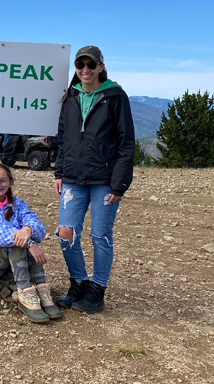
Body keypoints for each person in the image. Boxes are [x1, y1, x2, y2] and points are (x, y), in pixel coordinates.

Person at [53, 45, 135, 313]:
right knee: (66, 234)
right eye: (80, 65)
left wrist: (119, 184)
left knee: (100, 235)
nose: (85, 70)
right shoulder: (71, 96)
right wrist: (59, 173)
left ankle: (97, 290)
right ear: (75, 69)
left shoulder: (115, 96)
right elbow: (63, 138)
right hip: (73, 179)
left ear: (101, 66)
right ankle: (78, 283)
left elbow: (126, 142)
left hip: (105, 180)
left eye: (91, 65)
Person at [0, 163, 62, 323]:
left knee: (24, 238)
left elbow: (38, 227)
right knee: (17, 243)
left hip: (12, 262)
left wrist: (27, 229)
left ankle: (42, 291)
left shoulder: (19, 204)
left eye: (3, 181)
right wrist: (29, 243)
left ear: (10, 182)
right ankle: (25, 293)